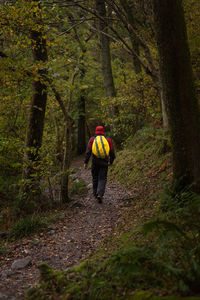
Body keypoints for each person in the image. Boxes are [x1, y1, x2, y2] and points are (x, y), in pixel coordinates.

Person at [84, 126, 115, 203]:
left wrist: (86, 162)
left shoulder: (92, 139)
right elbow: (112, 152)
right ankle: (100, 194)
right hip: (104, 161)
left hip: (95, 162)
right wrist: (111, 161)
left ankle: (95, 194)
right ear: (103, 131)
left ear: (96, 131)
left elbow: (88, 152)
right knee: (102, 178)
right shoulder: (107, 139)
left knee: (95, 177)